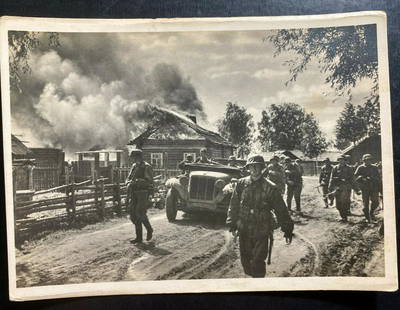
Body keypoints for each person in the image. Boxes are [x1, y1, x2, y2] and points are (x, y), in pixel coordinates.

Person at [226, 155, 294, 278]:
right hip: (244, 227)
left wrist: (287, 229)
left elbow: (281, 210)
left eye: (257, 166)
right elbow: (234, 204)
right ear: (248, 168)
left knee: (258, 261)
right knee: (245, 261)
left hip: (262, 228)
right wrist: (232, 222)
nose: (254, 169)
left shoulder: (270, 187)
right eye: (251, 166)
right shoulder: (241, 184)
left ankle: (258, 285)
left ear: (262, 168)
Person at [125, 149, 154, 243]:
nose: (132, 159)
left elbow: (150, 182)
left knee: (139, 213)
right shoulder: (134, 166)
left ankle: (149, 229)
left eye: (133, 157)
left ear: (138, 157)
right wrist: (129, 183)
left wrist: (140, 181)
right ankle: (139, 237)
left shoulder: (146, 166)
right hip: (133, 192)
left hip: (143, 192)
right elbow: (128, 178)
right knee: (133, 214)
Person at [354, 154, 382, 222]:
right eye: (366, 160)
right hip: (365, 188)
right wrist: (362, 178)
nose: (368, 161)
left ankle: (371, 212)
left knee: (376, 202)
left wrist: (372, 178)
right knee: (365, 204)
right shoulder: (360, 167)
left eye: (369, 160)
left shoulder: (374, 167)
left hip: (373, 187)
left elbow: (378, 177)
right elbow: (355, 177)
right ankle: (367, 217)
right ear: (364, 160)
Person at [328, 155, 354, 222]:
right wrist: (330, 187)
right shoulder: (335, 168)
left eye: (342, 160)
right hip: (337, 187)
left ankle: (344, 217)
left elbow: (352, 179)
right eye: (340, 160)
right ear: (338, 160)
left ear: (345, 160)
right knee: (338, 205)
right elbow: (331, 178)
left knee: (344, 202)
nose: (341, 161)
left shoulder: (349, 168)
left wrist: (356, 189)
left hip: (346, 187)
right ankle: (343, 216)